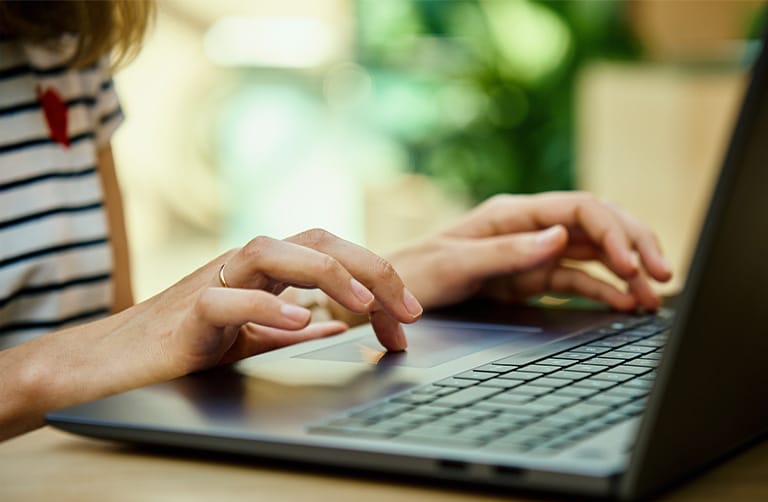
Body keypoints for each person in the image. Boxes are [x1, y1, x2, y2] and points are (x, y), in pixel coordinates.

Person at [0, 0, 672, 441]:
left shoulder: (60, 45)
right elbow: (77, 361)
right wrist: (40, 373)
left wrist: (388, 286)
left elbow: (106, 350)